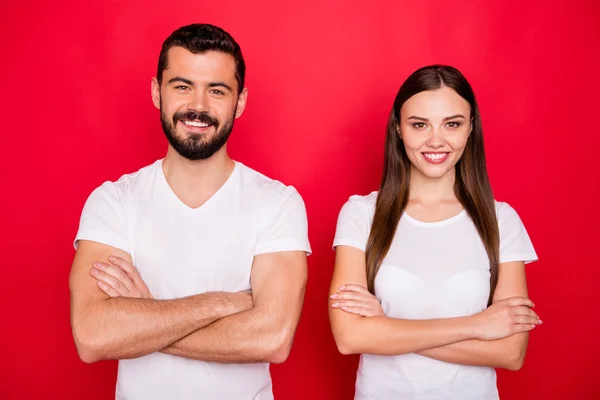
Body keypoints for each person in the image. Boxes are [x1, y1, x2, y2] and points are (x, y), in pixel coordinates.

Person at [69, 23, 310, 400]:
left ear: (240, 102)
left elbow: (272, 338)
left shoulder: (277, 203)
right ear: (156, 92)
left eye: (216, 90)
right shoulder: (113, 201)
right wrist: (227, 303)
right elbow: (93, 335)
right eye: (182, 86)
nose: (198, 106)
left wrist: (145, 317)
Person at [329, 65, 540, 400]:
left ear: (471, 128)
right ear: (398, 128)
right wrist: (477, 326)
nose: (436, 140)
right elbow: (350, 338)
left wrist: (387, 327)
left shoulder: (501, 221)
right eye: (419, 124)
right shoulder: (361, 214)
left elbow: (510, 352)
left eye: (452, 124)